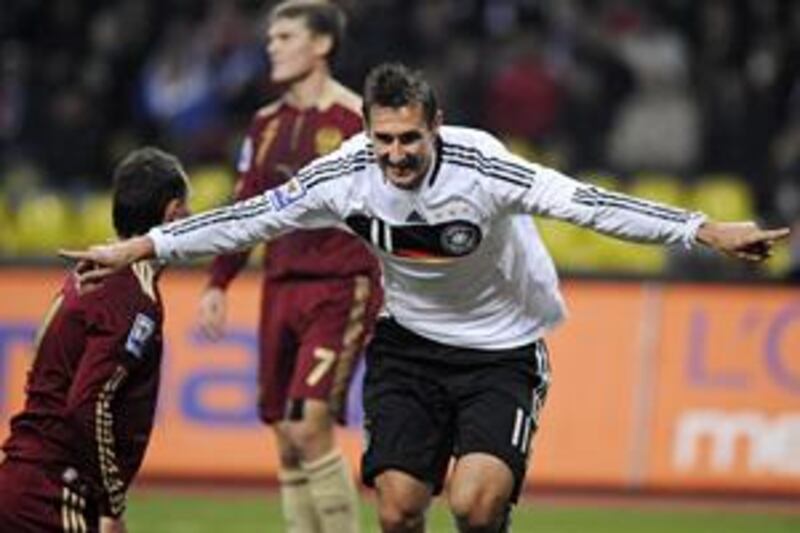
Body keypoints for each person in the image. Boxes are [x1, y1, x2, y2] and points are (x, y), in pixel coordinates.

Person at [62, 63, 790, 533]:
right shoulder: (345, 174)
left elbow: (589, 204)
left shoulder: (483, 165)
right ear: (370, 133)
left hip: (502, 350)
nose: (397, 154)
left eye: (410, 138)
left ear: (434, 127)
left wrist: (705, 229)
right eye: (385, 139)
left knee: (476, 506)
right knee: (400, 508)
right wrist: (138, 247)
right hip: (408, 344)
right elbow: (248, 215)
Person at [197, 2, 382, 532]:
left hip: (341, 286)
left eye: (284, 36)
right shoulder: (265, 124)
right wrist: (218, 281)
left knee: (309, 424)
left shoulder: (358, 122)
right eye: (271, 37)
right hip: (280, 285)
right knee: (283, 433)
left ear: (321, 45)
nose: (271, 45)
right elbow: (245, 207)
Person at [0, 147, 190, 533]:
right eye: (188, 211)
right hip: (55, 494)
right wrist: (112, 504)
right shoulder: (133, 299)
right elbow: (90, 403)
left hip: (26, 479)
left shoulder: (90, 272)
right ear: (173, 213)